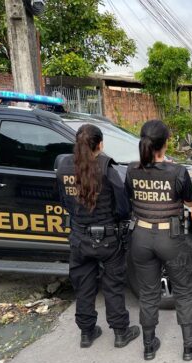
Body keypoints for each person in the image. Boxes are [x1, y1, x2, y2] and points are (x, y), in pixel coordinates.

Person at [56, 124, 140, 349]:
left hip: (79, 237)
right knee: (113, 286)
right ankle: (121, 333)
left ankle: (86, 333)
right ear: (100, 144)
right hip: (108, 239)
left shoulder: (63, 167)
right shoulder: (107, 168)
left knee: (83, 286)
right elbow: (122, 207)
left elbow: (64, 202)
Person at [126, 120, 192, 361]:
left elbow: (130, 197)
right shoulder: (178, 172)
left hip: (140, 237)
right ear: (166, 143)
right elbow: (190, 203)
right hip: (170, 238)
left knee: (148, 293)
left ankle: (149, 346)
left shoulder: (131, 170)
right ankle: (189, 345)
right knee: (183, 289)